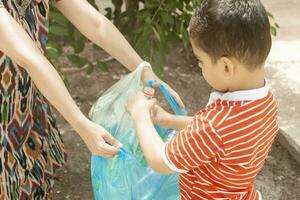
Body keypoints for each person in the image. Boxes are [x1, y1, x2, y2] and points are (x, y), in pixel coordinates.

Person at [0, 0, 184, 199]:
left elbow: (95, 23)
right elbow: (28, 57)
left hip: (23, 101)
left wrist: (143, 69)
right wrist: (82, 125)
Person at [126, 0, 279, 199]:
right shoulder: (266, 101)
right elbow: (221, 135)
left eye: (201, 61)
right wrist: (168, 120)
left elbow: (160, 160)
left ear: (226, 67)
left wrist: (140, 115)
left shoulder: (216, 125)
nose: (200, 67)